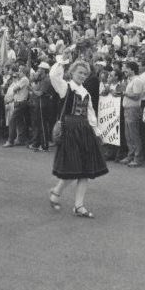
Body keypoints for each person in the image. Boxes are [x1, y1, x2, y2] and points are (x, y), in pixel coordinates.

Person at [48, 57, 108, 218]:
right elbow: (54, 76)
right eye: (80, 72)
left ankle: (78, 205)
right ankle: (56, 192)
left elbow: (91, 114)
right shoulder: (65, 87)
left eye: (85, 74)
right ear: (72, 72)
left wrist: (97, 132)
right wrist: (61, 61)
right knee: (73, 167)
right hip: (69, 129)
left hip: (84, 130)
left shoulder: (85, 92)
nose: (82, 76)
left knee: (85, 170)